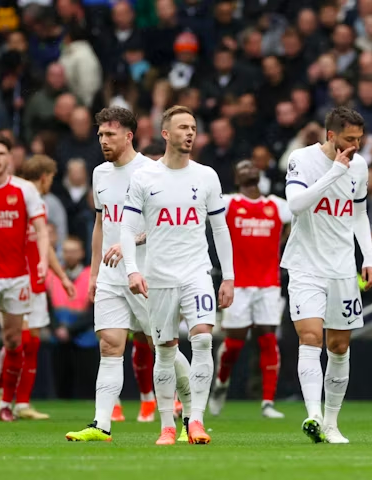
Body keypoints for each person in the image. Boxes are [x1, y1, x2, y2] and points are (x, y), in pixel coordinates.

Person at [65, 107, 192, 442]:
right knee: (109, 345)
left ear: (128, 136)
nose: (103, 141)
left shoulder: (153, 171)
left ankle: (192, 413)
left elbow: (165, 223)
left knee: (162, 346)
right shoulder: (100, 173)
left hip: (148, 275)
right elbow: (99, 224)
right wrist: (93, 275)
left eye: (110, 135)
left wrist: (129, 241)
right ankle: (101, 425)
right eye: (100, 135)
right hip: (110, 277)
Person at [120, 105, 235, 445]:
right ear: (165, 134)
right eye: (183, 127)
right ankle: (167, 426)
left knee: (202, 338)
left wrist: (227, 276)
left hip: (197, 271)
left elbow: (220, 228)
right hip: (158, 276)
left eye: (194, 128)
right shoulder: (144, 178)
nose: (190, 133)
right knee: (166, 350)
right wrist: (132, 270)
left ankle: (195, 421)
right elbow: (126, 228)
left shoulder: (206, 176)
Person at [281, 106, 372, 444]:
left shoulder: (360, 166)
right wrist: (335, 171)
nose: (356, 146)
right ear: (331, 135)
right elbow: (295, 204)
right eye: (349, 139)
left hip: (342, 268)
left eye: (359, 140)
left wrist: (369, 255)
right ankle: (314, 415)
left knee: (339, 346)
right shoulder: (301, 160)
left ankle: (333, 422)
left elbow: (359, 213)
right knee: (310, 337)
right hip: (305, 265)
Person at [0, 155, 76, 420]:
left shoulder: (37, 205)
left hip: (33, 282)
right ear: (44, 177)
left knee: (32, 342)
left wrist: (59, 276)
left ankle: (20, 402)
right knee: (19, 339)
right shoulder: (18, 200)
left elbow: (46, 246)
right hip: (13, 279)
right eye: (51, 177)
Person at [209, 160, 291, 419]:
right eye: (242, 167)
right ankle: (221, 384)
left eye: (252, 167)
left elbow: (298, 219)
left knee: (268, 339)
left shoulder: (276, 205)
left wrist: (283, 239)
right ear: (236, 178)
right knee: (233, 344)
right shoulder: (229, 202)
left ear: (259, 174)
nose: (248, 169)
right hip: (239, 284)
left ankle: (267, 402)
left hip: (268, 283)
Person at [0, 135, 49, 422]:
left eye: (1, 153)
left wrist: (44, 262)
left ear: (10, 158)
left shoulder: (24, 190)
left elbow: (40, 228)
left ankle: (6, 404)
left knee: (14, 341)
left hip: (16, 276)